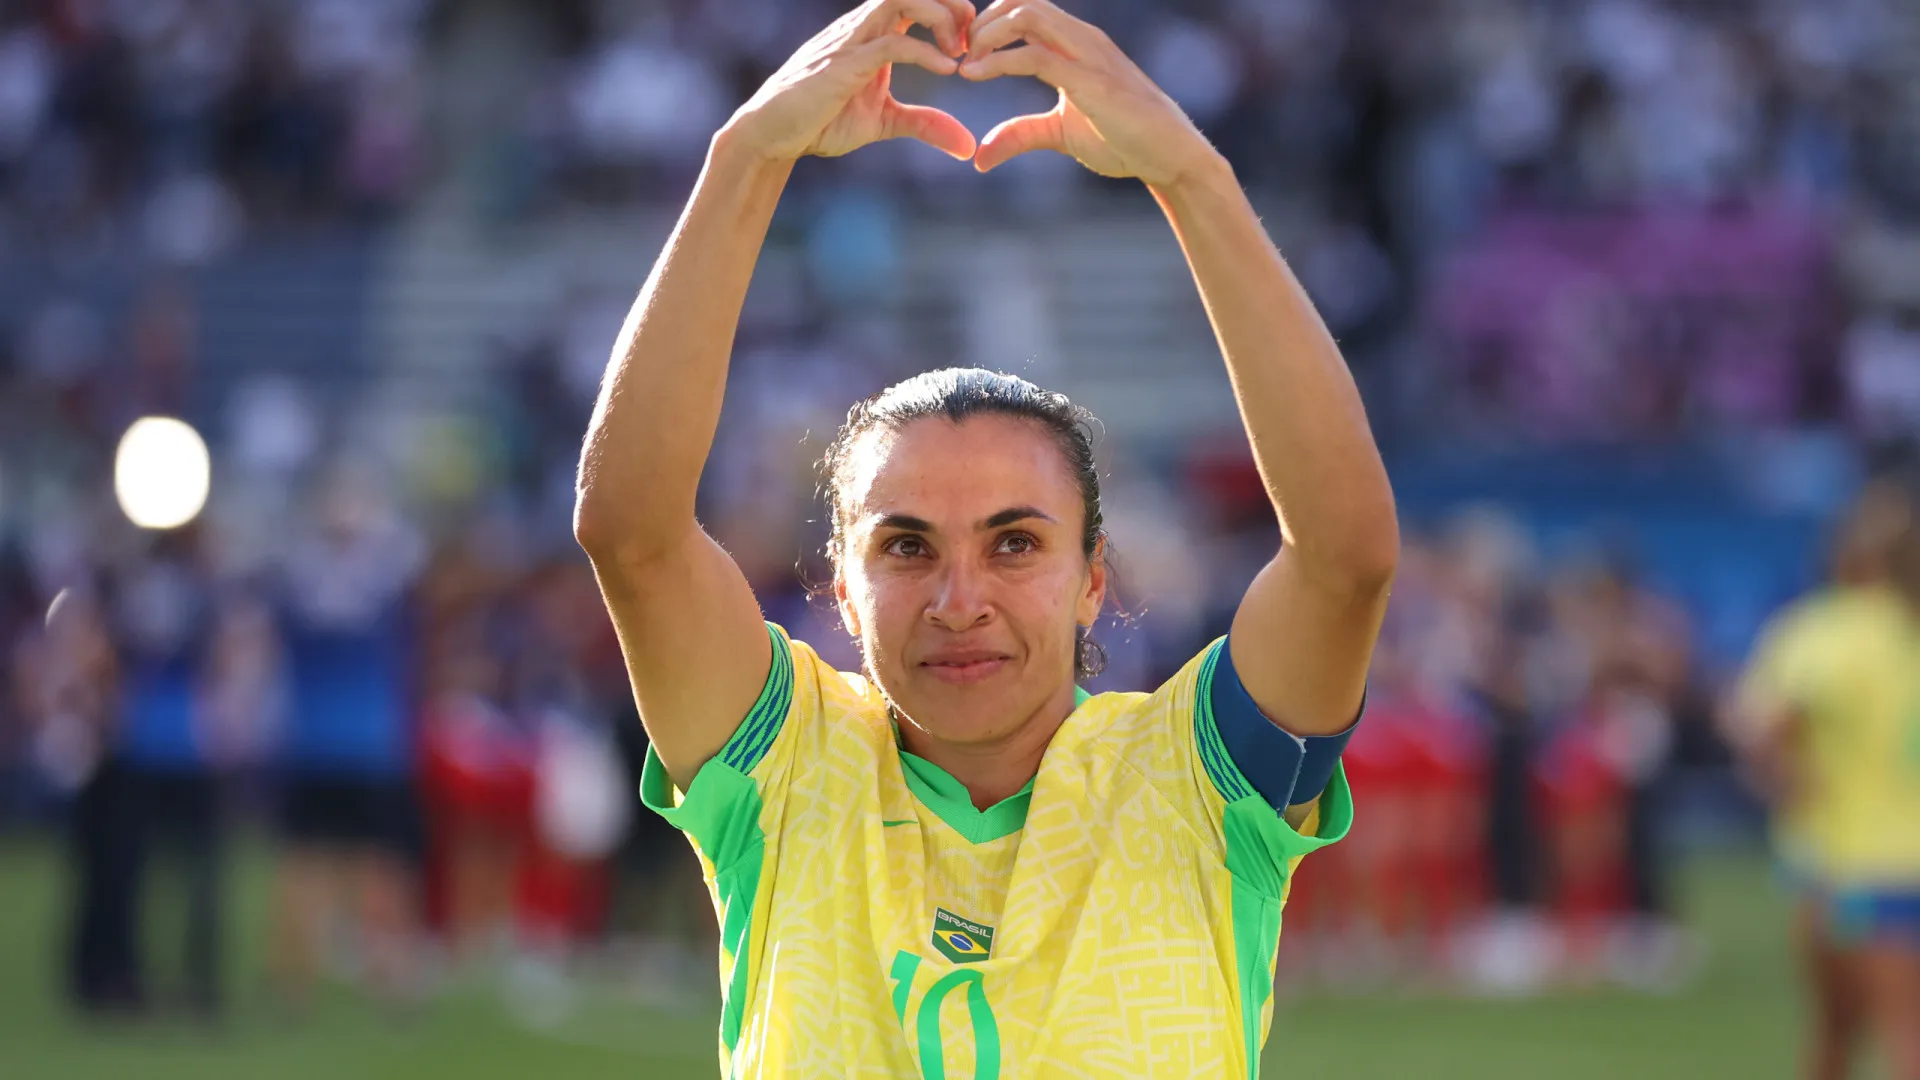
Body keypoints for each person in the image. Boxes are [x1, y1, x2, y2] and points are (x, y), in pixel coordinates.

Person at [573, 1, 1397, 1075]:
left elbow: (1344, 558)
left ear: (1095, 577)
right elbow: (630, 534)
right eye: (907, 547)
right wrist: (747, 155)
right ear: (840, 584)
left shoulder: (1195, 781)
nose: (960, 598)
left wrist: (1193, 179)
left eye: (1015, 544)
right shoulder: (790, 770)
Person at [1732, 480, 1920, 1080]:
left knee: (1857, 1031)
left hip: (1862, 870)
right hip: (1881, 865)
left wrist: (1786, 782)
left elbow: (1760, 726)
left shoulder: (1828, 632)